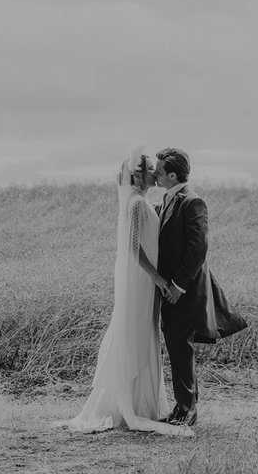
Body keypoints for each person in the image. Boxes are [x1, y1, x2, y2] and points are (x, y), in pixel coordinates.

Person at [53, 148, 194, 437]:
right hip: (144, 281)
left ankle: (143, 401)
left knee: (144, 332)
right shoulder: (137, 205)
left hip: (147, 282)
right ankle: (132, 403)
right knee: (137, 330)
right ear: (139, 175)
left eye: (157, 169)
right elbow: (133, 250)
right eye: (149, 170)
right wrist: (158, 279)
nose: (154, 173)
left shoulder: (145, 203)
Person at [153, 147, 248, 427]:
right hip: (168, 292)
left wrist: (178, 286)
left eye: (158, 172)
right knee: (176, 347)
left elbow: (198, 249)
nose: (155, 176)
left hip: (185, 293)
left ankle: (186, 411)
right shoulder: (168, 201)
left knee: (181, 349)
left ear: (172, 175)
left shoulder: (193, 202)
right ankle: (182, 409)